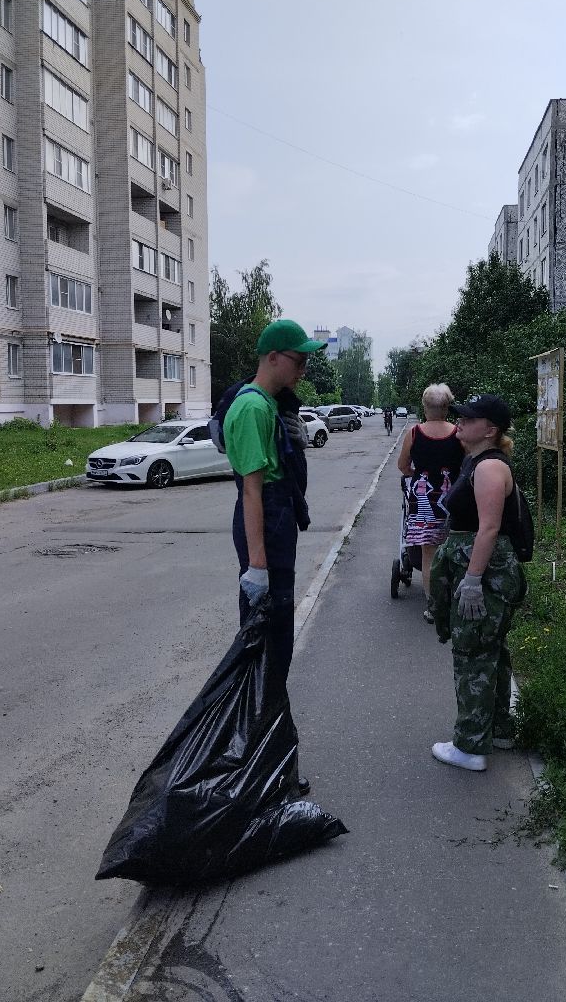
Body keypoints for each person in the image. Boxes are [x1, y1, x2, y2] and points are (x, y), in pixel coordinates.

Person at [223, 319, 327, 794]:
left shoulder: (269, 405)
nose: (304, 367)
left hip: (277, 526)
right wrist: (258, 568)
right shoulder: (250, 408)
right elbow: (251, 492)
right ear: (272, 358)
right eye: (298, 358)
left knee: (276, 654)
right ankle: (262, 771)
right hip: (264, 531)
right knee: (268, 656)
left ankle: (269, 764)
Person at [428, 394, 522, 772]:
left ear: (490, 430)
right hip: (483, 569)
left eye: (469, 419)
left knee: (472, 654)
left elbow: (489, 529)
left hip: (484, 573)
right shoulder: (478, 461)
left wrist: (471, 580)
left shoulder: (488, 468)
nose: (460, 423)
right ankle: (498, 729)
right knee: (490, 650)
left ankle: (470, 746)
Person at [397, 384, 464, 622]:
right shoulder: (459, 433)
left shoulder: (415, 433)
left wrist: (416, 472)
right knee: (456, 552)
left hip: (424, 508)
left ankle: (434, 606)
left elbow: (403, 466)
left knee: (429, 554)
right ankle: (455, 601)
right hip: (454, 504)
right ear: (447, 408)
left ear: (425, 407)